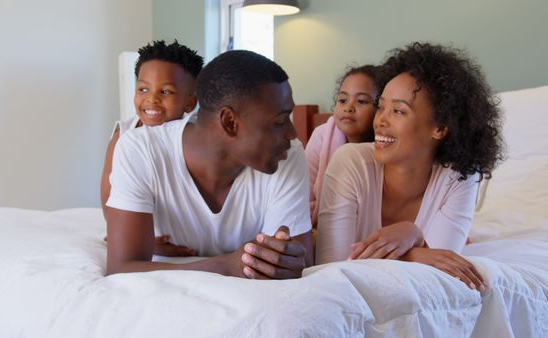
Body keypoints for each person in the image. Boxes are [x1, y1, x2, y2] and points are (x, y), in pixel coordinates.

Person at [105, 50, 313, 279]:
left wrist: (288, 261)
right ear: (229, 122)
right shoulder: (140, 149)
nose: (292, 133)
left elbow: (297, 267)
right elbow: (121, 268)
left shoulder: (287, 156)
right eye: (280, 121)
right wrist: (224, 266)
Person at [315, 42, 503, 291]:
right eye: (381, 106)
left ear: (440, 128)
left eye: (398, 111)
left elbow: (442, 272)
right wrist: (415, 245)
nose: (380, 120)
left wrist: (410, 240)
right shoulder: (349, 162)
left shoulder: (459, 176)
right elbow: (330, 270)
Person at [100, 40, 203, 256]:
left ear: (190, 103)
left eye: (165, 92)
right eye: (143, 89)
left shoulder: (193, 139)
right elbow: (109, 197)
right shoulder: (124, 136)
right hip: (136, 225)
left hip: (182, 231)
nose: (151, 99)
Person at [305, 65, 386, 226]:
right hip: (321, 225)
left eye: (361, 101)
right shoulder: (322, 136)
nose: (348, 108)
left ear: (381, 109)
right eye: (342, 100)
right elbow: (303, 196)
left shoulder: (386, 145)